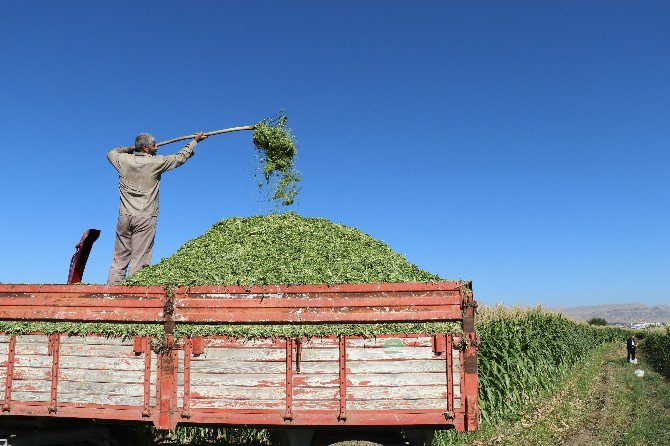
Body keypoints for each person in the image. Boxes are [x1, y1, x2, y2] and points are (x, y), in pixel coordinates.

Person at [106, 131, 207, 284]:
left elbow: (111, 152)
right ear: (146, 148)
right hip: (145, 217)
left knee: (120, 258)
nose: (157, 146)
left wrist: (131, 148)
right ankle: (133, 294)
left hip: (124, 216)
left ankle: (111, 292)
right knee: (140, 259)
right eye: (154, 144)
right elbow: (179, 158)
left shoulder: (123, 160)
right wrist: (195, 142)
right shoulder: (155, 162)